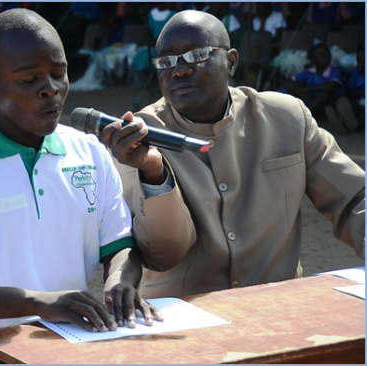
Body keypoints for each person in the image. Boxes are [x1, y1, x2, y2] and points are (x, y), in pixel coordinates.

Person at [0, 8, 161, 364]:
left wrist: (120, 279)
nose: (49, 89)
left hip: (78, 352)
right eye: (28, 79)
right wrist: (38, 302)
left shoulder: (90, 154)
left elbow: (119, 244)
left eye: (59, 73)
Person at [99, 10, 365, 298]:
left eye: (196, 55)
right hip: (184, 315)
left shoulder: (286, 118)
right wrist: (153, 171)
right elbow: (162, 254)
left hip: (278, 306)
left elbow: (353, 199)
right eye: (166, 62)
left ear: (231, 61)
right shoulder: (139, 137)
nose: (180, 70)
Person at [282, 43, 344, 122]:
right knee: (292, 91)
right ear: (313, 59)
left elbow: (333, 85)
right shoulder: (308, 71)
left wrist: (309, 89)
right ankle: (289, 115)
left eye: (327, 53)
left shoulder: (334, 71)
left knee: (326, 92)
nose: (326, 56)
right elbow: (287, 82)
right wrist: (300, 91)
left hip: (329, 103)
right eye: (321, 54)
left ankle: (305, 115)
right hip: (312, 102)